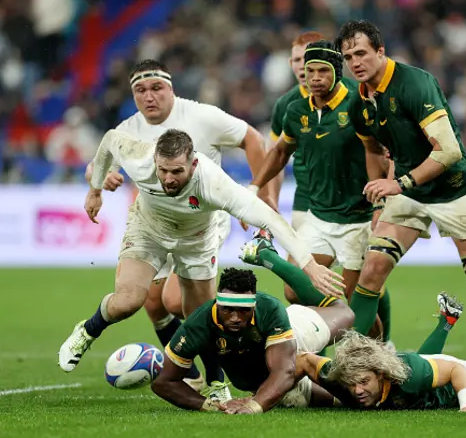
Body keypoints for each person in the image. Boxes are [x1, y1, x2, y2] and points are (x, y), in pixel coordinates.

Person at [333, 19, 466, 400]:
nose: (355, 62)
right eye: (348, 57)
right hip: (408, 192)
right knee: (373, 267)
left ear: (381, 51)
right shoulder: (359, 102)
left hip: (452, 189)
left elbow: (449, 151)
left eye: (361, 53)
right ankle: (350, 366)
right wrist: (382, 199)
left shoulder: (414, 83)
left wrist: (398, 184)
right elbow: (370, 148)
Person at [58, 129, 343, 386]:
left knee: (205, 316)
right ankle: (88, 330)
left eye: (177, 172)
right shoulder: (140, 158)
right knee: (127, 302)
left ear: (194, 164)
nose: (169, 179)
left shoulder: (215, 184)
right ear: (154, 161)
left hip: (197, 240)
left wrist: (309, 264)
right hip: (148, 228)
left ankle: (215, 383)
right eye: (163, 170)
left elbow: (271, 219)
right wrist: (95, 190)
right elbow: (108, 139)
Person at [84, 59, 274, 390]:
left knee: (176, 301)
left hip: (202, 222)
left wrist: (259, 194)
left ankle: (227, 369)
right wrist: (100, 178)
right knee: (152, 303)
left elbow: (253, 139)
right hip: (156, 222)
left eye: (156, 88)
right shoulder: (128, 129)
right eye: (140, 90)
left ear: (171, 89)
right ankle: (191, 372)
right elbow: (96, 164)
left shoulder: (202, 116)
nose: (149, 96)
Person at [250, 40, 391, 337]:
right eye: (309, 70)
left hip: (357, 219)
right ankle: (356, 341)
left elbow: (381, 151)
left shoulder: (358, 102)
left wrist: (381, 204)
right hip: (318, 216)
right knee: (294, 289)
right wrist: (255, 187)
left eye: (322, 71)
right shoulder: (295, 109)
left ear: (336, 73)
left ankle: (376, 350)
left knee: (352, 305)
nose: (314, 78)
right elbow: (279, 152)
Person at [295, 257, 466, 411]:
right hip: (427, 376)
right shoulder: (345, 378)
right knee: (420, 369)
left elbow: (454, 370)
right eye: (353, 384)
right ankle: (447, 320)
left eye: (363, 381)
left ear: (381, 374)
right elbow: (304, 359)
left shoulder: (411, 374)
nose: (357, 389)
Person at [152, 234, 354, 414]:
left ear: (254, 306)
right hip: (263, 377)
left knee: (344, 313)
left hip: (290, 342)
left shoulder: (270, 309)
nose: (235, 318)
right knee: (339, 401)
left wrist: (254, 406)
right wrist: (209, 406)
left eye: (243, 311)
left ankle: (269, 258)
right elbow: (164, 382)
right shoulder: (198, 323)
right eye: (228, 310)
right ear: (218, 304)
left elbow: (284, 371)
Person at [268, 31, 325, 231]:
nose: (302, 65)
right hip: (306, 202)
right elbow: (275, 158)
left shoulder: (353, 95)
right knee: (301, 262)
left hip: (353, 202)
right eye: (297, 59)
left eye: (308, 57)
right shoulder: (285, 105)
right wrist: (272, 201)